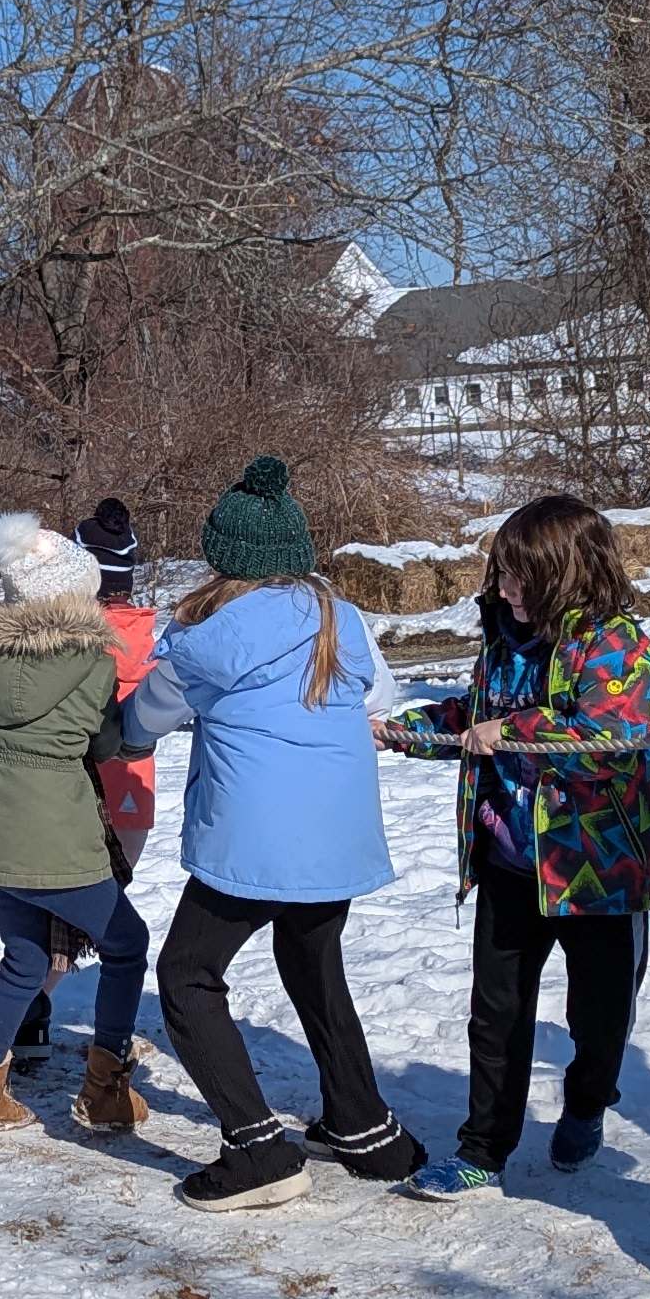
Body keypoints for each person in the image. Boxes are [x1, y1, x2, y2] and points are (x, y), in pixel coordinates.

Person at [121, 456, 426, 1211]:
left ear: (222, 556)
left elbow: (144, 721)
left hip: (252, 842)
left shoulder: (205, 637)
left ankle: (257, 1148)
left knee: (187, 976)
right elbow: (381, 692)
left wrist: (118, 728)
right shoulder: (338, 617)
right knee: (314, 960)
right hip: (337, 834)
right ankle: (366, 1129)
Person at [376, 495, 650, 1197]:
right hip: (511, 861)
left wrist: (517, 731)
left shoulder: (616, 646)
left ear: (567, 575)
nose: (504, 589)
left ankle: (589, 1100)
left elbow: (611, 739)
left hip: (595, 869)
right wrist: (410, 729)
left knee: (598, 1018)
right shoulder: (503, 639)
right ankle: (483, 1148)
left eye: (520, 576)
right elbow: (475, 720)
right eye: (501, 573)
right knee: (496, 1015)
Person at [0, 512, 150, 1135]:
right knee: (126, 944)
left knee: (26, 955)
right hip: (52, 829)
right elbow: (106, 744)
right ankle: (104, 1091)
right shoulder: (93, 659)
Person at [0, 497, 158, 1096]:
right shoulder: (143, 631)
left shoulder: (76, 636)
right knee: (87, 922)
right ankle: (36, 1023)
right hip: (134, 794)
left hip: (76, 791)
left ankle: (19, 1025)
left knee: (64, 924)